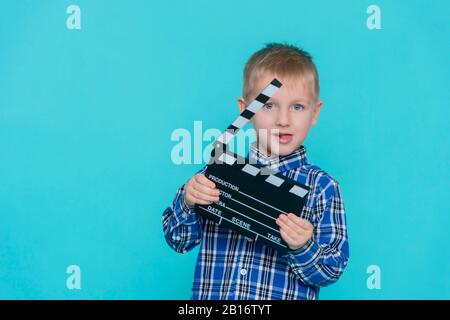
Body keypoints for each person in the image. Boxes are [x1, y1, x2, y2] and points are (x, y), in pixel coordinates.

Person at [162, 43, 349, 299]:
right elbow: (178, 240)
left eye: (297, 107)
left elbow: (331, 270)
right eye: (269, 105)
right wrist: (187, 201)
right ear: (245, 110)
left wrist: (304, 246)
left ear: (314, 113)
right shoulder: (217, 173)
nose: (283, 120)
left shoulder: (323, 188)